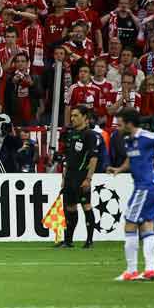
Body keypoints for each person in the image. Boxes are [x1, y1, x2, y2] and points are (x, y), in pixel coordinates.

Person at [107, 109, 154, 281]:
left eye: (120, 124)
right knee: (146, 225)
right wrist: (119, 169)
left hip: (145, 188)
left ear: (129, 123)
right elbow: (131, 160)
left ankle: (131, 271)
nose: (117, 128)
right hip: (149, 188)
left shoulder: (146, 137)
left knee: (130, 225)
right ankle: (150, 270)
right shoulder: (128, 140)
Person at [58, 106, 101, 248]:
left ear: (85, 117)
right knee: (70, 207)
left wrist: (88, 179)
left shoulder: (90, 135)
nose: (72, 118)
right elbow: (67, 159)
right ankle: (68, 240)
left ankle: (89, 240)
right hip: (70, 177)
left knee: (86, 206)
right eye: (72, 115)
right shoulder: (70, 134)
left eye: (76, 115)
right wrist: (64, 178)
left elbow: (93, 158)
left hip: (82, 176)